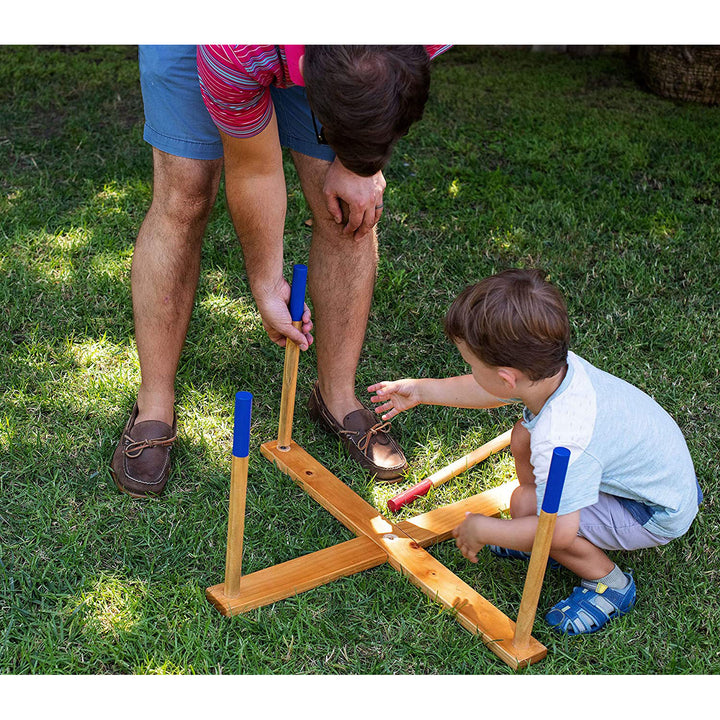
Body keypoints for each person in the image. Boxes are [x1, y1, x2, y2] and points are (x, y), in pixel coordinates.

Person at [111, 45, 450, 498]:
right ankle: (154, 402)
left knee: (345, 208)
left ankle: (337, 397)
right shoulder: (235, 47)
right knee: (185, 192)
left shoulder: (424, 30)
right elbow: (254, 168)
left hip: (324, 53)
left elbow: (389, 100)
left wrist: (357, 166)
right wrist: (267, 282)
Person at [368, 269, 701, 635]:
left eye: (472, 365)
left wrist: (486, 528)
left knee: (531, 511)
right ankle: (531, 537)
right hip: (656, 480)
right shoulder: (556, 371)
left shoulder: (562, 436)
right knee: (522, 442)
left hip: (654, 512)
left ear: (508, 376)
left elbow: (556, 531)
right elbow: (493, 390)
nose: (471, 370)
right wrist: (421, 390)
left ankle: (611, 584)